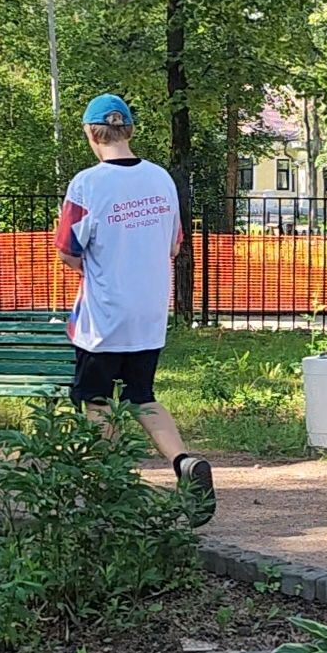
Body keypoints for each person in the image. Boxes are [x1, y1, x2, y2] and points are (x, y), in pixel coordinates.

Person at [53, 94, 215, 524]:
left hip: (103, 318)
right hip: (149, 316)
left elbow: (68, 252)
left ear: (91, 133)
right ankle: (183, 462)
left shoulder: (87, 184)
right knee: (143, 396)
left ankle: (104, 487)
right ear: (130, 131)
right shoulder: (161, 179)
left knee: (97, 401)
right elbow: (175, 244)